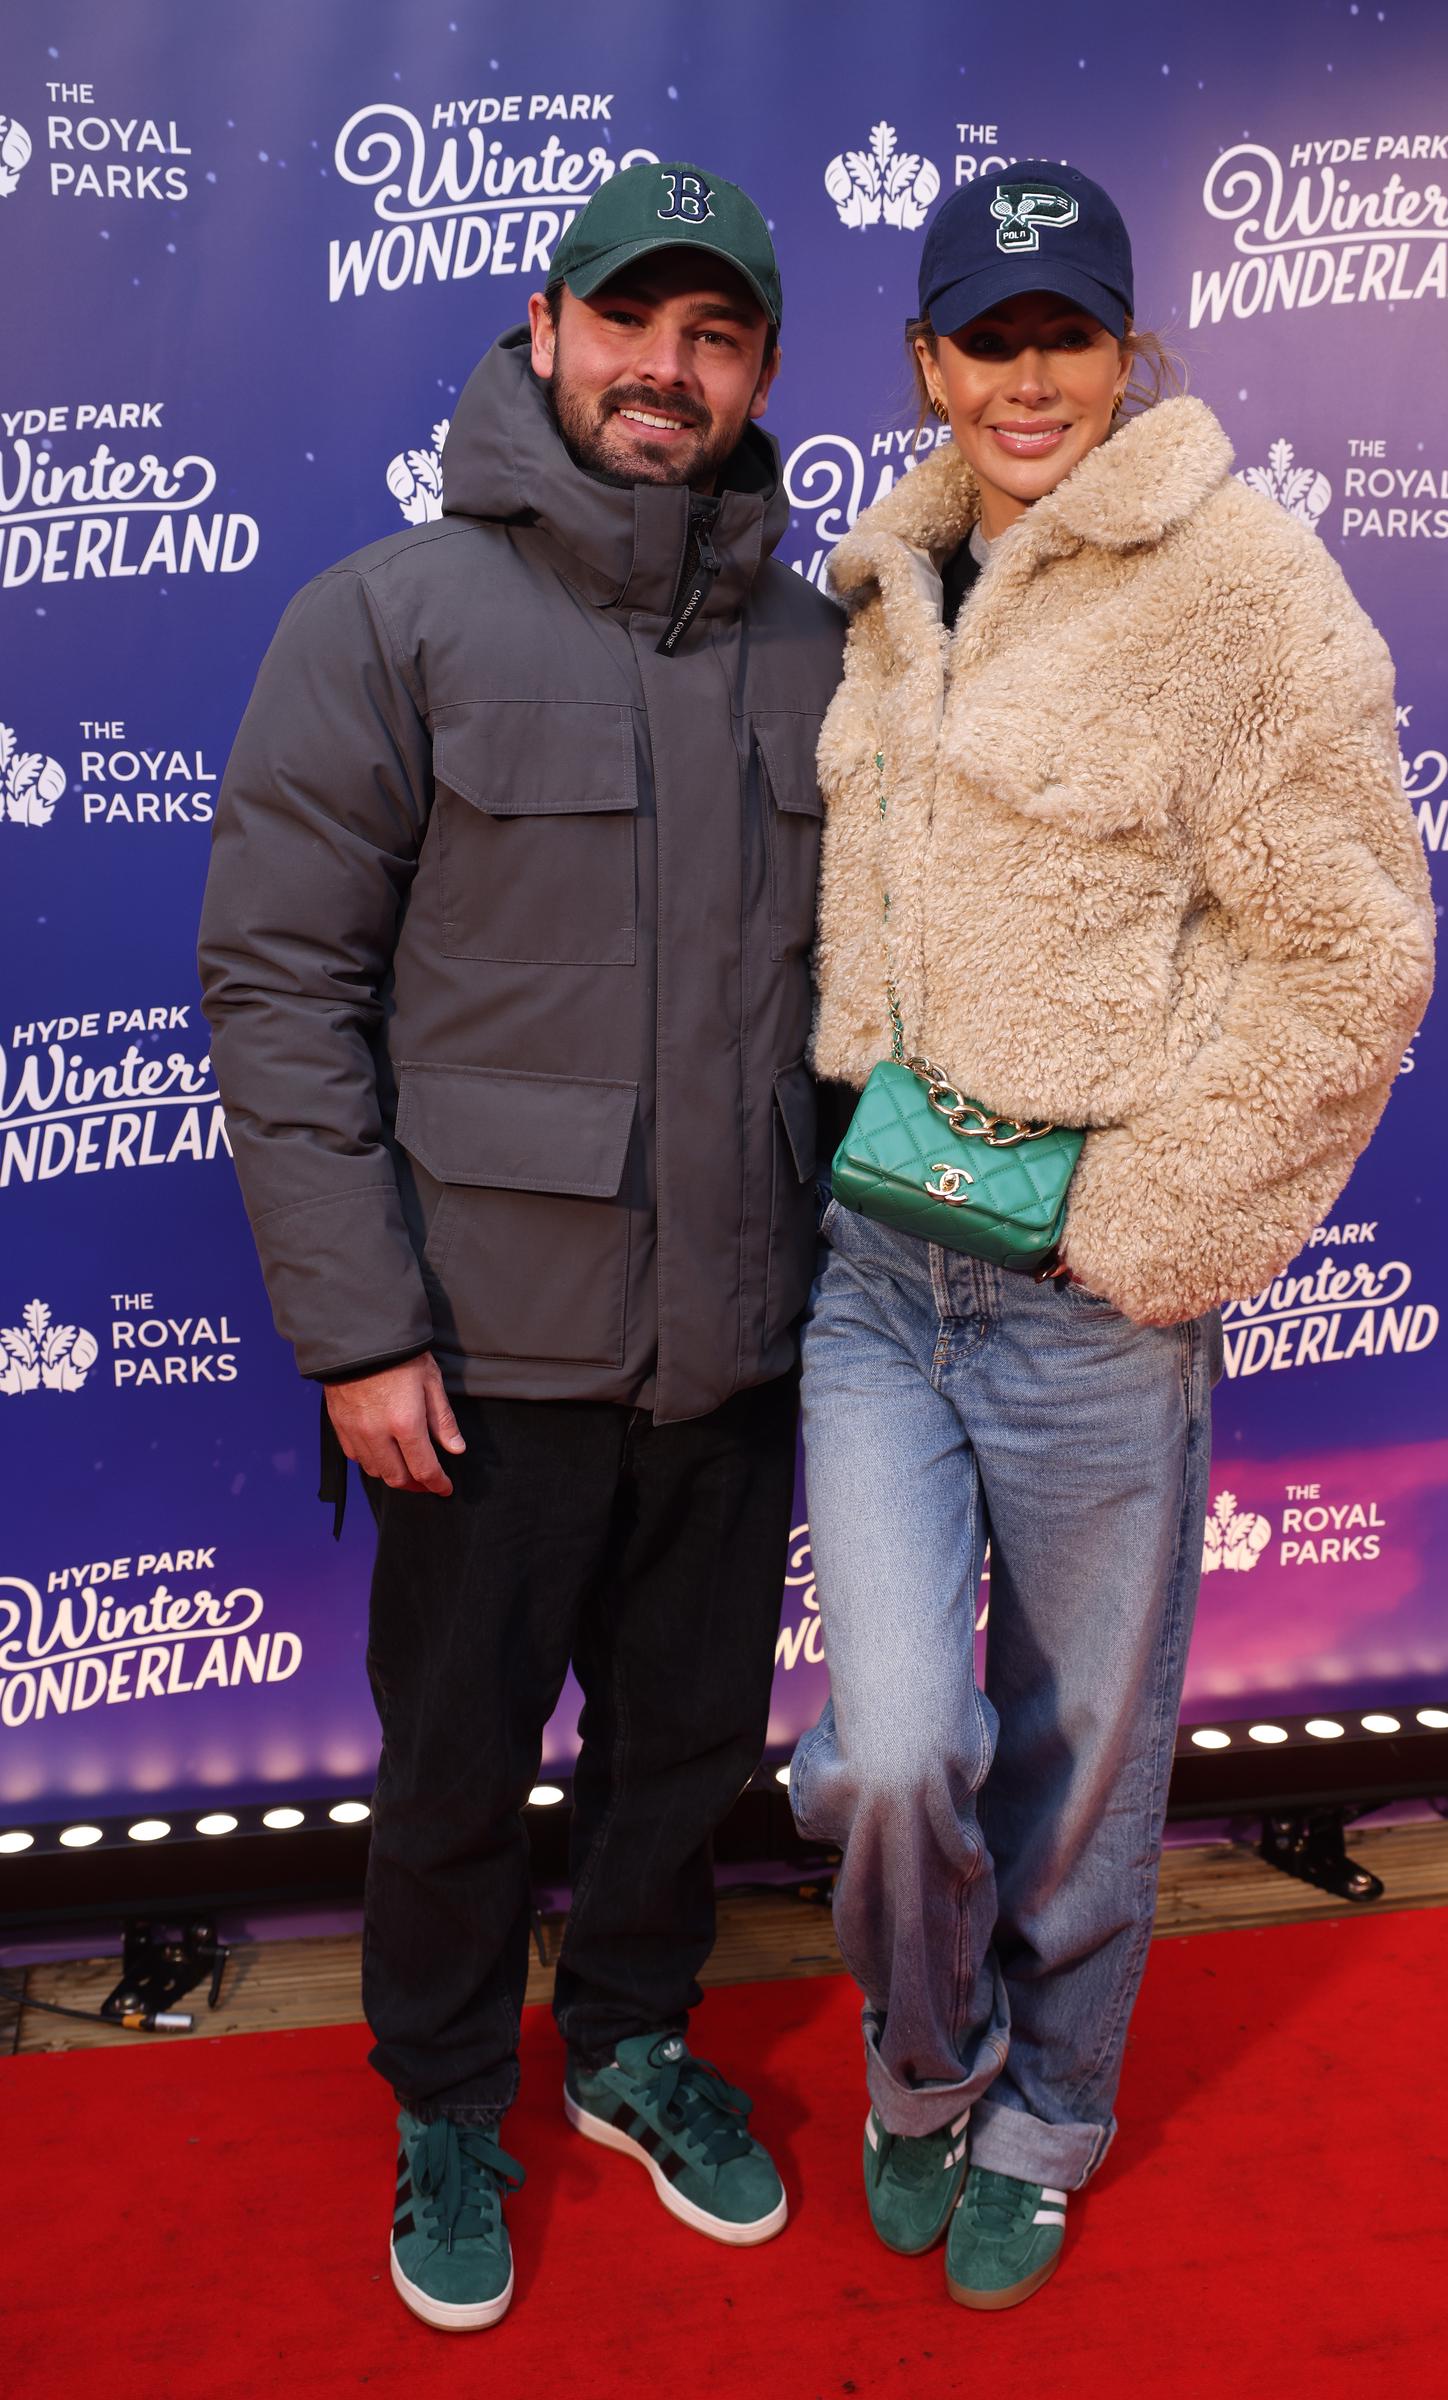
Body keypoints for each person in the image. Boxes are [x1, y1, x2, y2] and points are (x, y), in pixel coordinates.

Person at [198, 158, 842, 2333]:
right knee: (459, 1768)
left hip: (743, 1349)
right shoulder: (387, 619)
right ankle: (451, 2095)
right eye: (633, 326)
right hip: (481, 1358)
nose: (670, 373)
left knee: (686, 1747)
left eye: (717, 336)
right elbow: (280, 989)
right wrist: (360, 1332)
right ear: (547, 326)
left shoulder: (823, 646)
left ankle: (637, 2045)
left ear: (760, 372)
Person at [792, 163, 1434, 2312]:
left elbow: (1348, 953)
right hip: (881, 1277)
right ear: (929, 362)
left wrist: (1150, 1227)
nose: (1030, 376)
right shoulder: (886, 574)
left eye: (1069, 333)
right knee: (892, 1745)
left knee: (1080, 1770)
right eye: (991, 337)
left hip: (1089, 1302)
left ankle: (1049, 2113)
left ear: (1129, 349)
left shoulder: (1244, 581)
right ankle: (926, 2057)